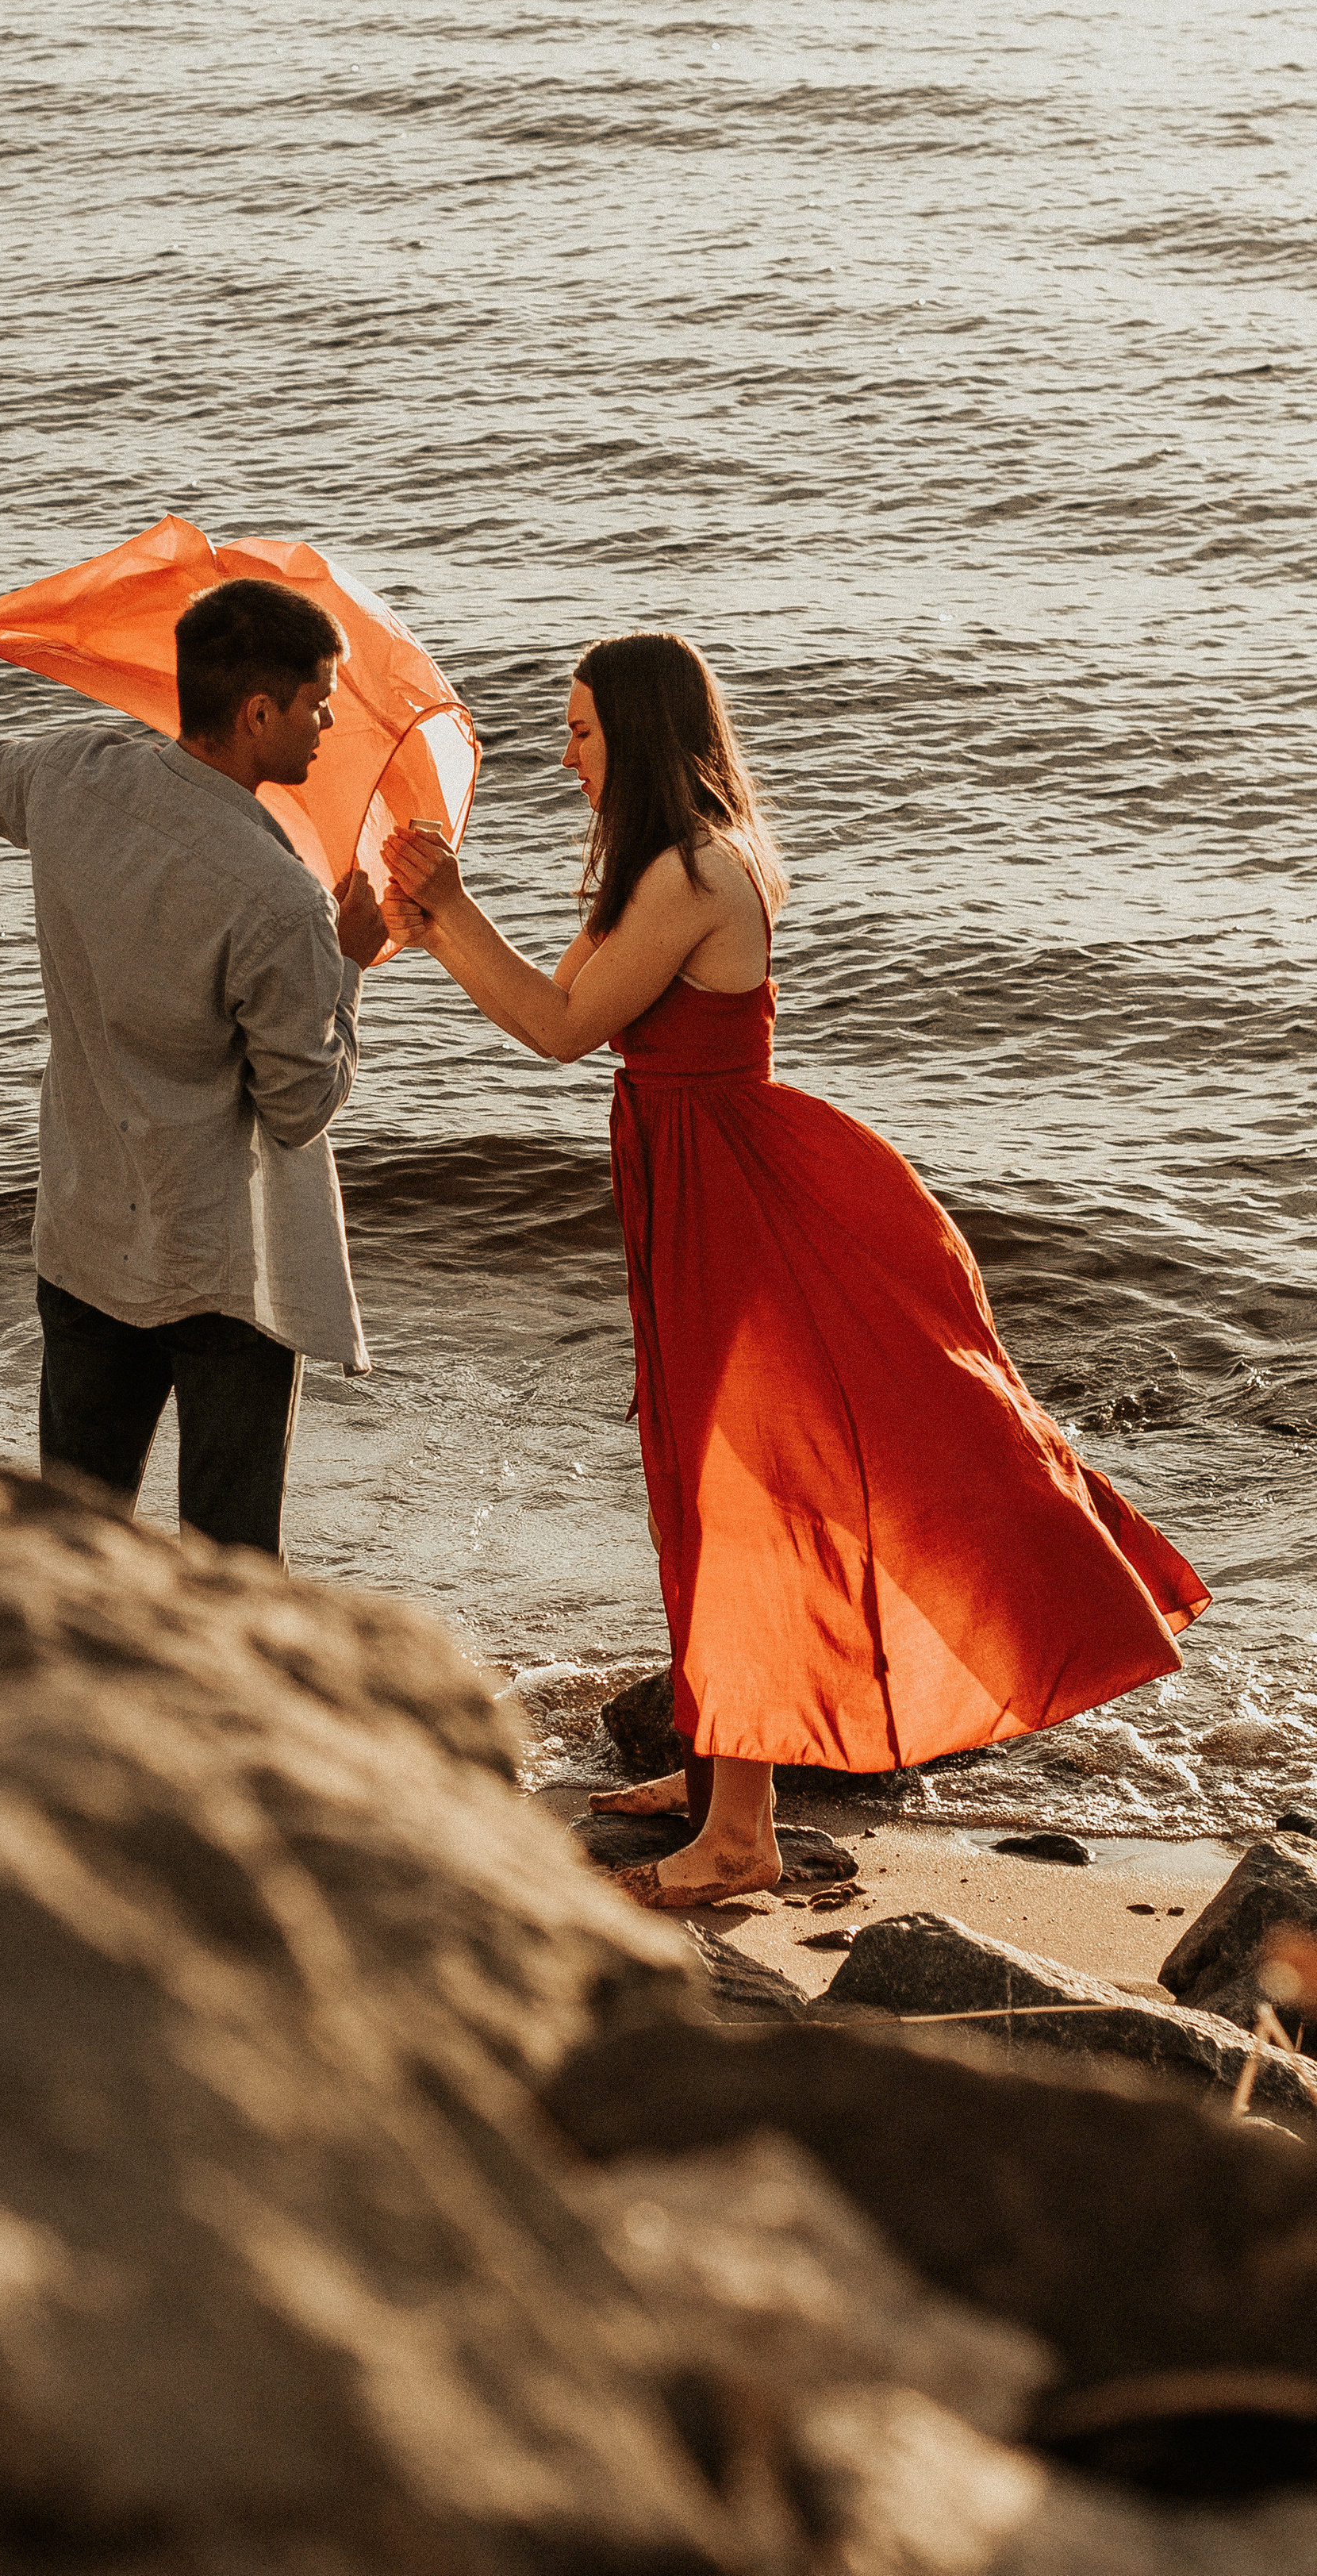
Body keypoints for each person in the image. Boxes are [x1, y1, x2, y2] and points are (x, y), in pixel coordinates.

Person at [381, 633, 1209, 1909]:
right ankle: (722, 1775)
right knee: (688, 1468)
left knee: (738, 1489)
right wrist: (439, 925)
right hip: (690, 1176)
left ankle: (741, 1837)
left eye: (584, 731)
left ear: (644, 736)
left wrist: (452, 906)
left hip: (735, 1191)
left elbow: (558, 1032)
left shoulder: (698, 868)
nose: (565, 755)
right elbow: (566, 999)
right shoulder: (678, 858)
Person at [0, 575, 388, 1559]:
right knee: (230, 1566)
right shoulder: (278, 898)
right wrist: (349, 962)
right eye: (317, 703)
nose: (327, 722)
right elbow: (300, 1106)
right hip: (220, 1270)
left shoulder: (72, 776)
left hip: (86, 1230)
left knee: (75, 1546)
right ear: (258, 712)